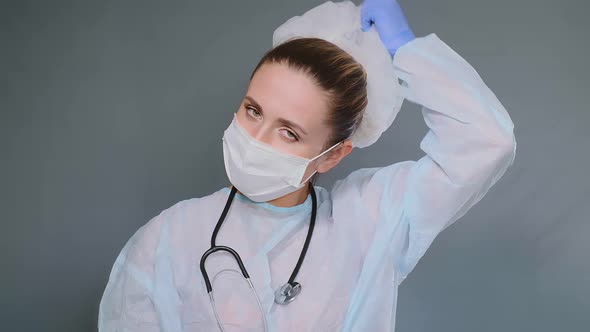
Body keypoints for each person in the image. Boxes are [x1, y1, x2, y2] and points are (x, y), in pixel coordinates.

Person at [98, 0, 517, 331]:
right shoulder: (168, 238)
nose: (255, 139)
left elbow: (485, 142)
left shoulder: (370, 221)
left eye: (289, 132)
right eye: (253, 110)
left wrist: (406, 49)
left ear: (334, 154)